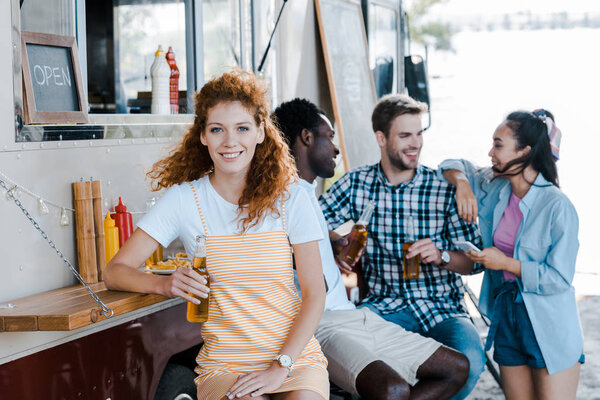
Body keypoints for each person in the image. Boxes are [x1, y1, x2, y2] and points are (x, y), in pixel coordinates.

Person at [104, 71, 329, 400]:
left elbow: (314, 293)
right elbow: (115, 271)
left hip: (293, 357)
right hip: (226, 365)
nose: (230, 142)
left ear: (260, 134)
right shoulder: (184, 200)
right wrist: (164, 284)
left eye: (242, 128)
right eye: (217, 130)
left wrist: (280, 365)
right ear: (203, 137)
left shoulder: (290, 197)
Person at [273, 98, 469, 400]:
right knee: (392, 390)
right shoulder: (284, 197)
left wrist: (334, 241)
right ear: (307, 138)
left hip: (356, 314)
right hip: (324, 321)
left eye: (419, 134)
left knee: (457, 366)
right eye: (330, 138)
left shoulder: (305, 192)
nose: (336, 149)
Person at [438, 109, 584, 400]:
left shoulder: (557, 206)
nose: (490, 152)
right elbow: (451, 164)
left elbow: (558, 278)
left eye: (498, 144)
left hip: (548, 322)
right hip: (506, 316)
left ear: (526, 151)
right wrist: (463, 185)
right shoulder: (495, 188)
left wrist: (505, 263)